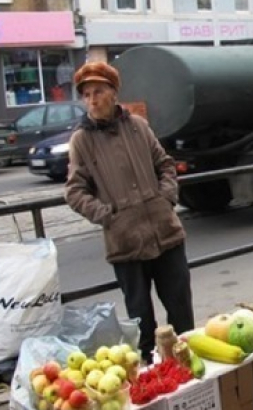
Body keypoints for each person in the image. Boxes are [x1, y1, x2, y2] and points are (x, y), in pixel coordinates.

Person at [65, 62, 194, 361]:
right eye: (86, 94)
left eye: (98, 91)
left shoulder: (138, 127)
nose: (92, 100)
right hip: (126, 244)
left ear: (113, 92)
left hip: (166, 233)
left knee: (181, 312)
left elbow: (165, 165)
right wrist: (107, 214)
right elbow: (74, 190)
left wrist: (166, 199)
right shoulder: (82, 140)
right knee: (141, 322)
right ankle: (152, 376)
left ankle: (188, 375)